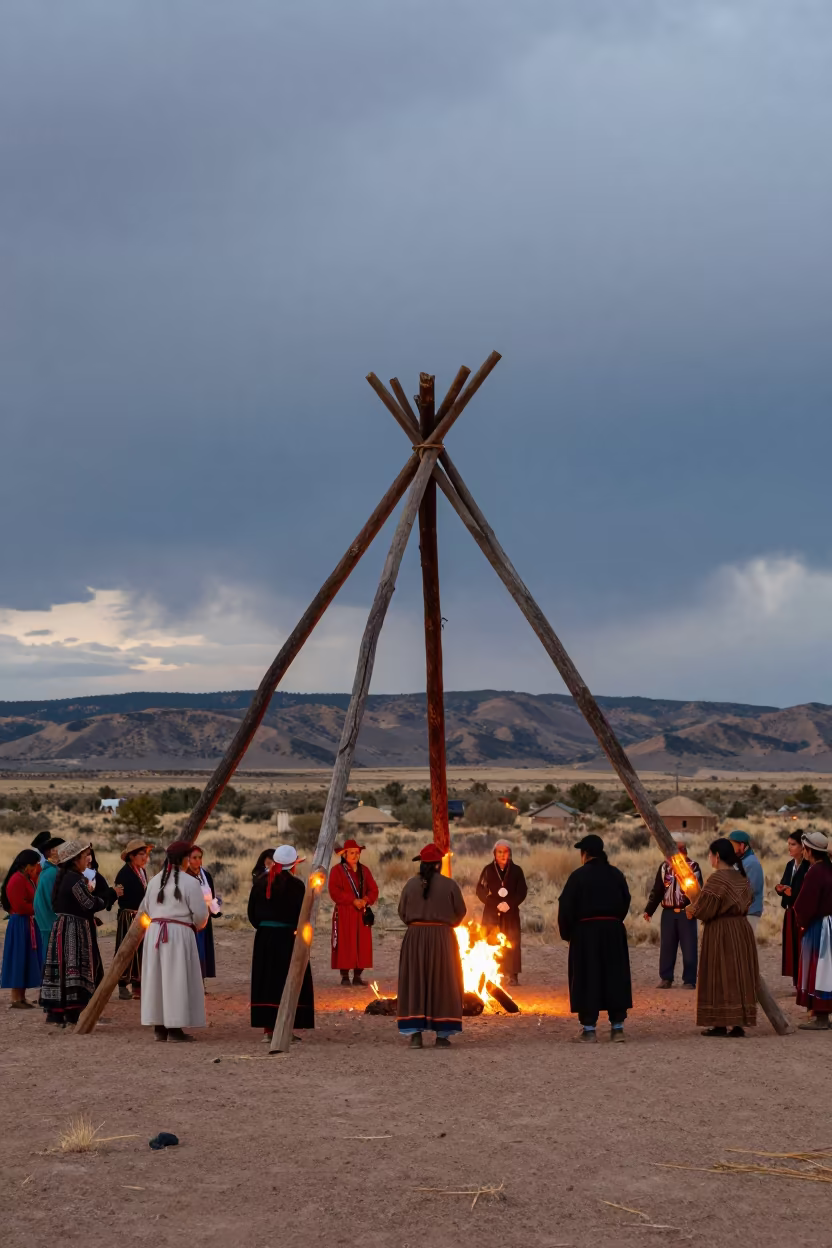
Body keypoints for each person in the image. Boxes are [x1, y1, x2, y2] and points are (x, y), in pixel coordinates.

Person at [558, 834, 632, 1043]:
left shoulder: (578, 876)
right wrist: (614, 922)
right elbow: (626, 900)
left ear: (585, 854)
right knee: (614, 976)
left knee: (587, 977)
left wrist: (569, 933)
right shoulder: (616, 875)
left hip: (586, 933)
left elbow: (566, 906)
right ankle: (617, 1028)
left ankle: (589, 1029)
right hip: (613, 932)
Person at [684, 837, 758, 1037]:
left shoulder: (716, 879)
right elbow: (749, 899)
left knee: (718, 973)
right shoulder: (741, 878)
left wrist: (692, 910)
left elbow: (706, 909)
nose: (709, 858)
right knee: (738, 974)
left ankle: (719, 1023)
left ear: (716, 857)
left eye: (710, 854)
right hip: (741, 930)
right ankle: (738, 1024)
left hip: (721, 932)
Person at [137, 840, 209, 1042]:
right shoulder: (190, 882)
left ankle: (160, 1027)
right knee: (176, 979)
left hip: (155, 933)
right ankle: (175, 1028)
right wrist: (194, 925)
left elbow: (147, 909)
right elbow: (201, 915)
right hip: (178, 934)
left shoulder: (154, 881)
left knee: (158, 979)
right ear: (185, 859)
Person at [397, 844, 467, 1049]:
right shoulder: (450, 885)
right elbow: (460, 912)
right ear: (439, 864)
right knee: (443, 983)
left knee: (415, 982)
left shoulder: (410, 885)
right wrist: (445, 924)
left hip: (415, 939)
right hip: (442, 939)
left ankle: (415, 1035)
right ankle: (442, 1035)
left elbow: (402, 912)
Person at [248, 845, 314, 1042]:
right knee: (286, 979)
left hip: (265, 939)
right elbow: (302, 915)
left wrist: (265, 927)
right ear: (293, 865)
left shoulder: (259, 883)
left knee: (268, 980)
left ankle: (269, 1030)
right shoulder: (297, 886)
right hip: (287, 938)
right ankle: (285, 1027)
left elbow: (252, 915)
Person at [39, 840, 108, 1026]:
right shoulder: (74, 879)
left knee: (64, 969)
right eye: (85, 855)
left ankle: (60, 1013)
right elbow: (89, 904)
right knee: (74, 967)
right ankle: (73, 1013)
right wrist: (109, 896)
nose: (88, 859)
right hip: (73, 929)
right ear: (75, 859)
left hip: (64, 926)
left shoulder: (68, 877)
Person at [643, 840, 703, 989]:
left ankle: (689, 980)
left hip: (686, 912)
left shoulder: (693, 867)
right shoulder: (664, 868)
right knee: (667, 946)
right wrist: (649, 910)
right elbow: (657, 890)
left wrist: (698, 911)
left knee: (689, 946)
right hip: (668, 912)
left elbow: (698, 893)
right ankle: (666, 978)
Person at [793, 829, 832, 1030]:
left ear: (808, 851)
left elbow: (806, 903)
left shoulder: (815, 872)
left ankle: (821, 1016)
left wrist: (801, 920)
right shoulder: (828, 868)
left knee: (820, 969)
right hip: (829, 924)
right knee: (828, 969)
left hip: (821, 927)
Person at [475, 839, 527, 986]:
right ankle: (490, 974)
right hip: (492, 912)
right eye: (500, 852)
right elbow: (480, 890)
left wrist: (509, 904)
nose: (503, 855)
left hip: (510, 912)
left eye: (505, 851)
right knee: (490, 941)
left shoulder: (517, 871)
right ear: (494, 854)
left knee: (512, 941)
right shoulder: (488, 870)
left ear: (509, 853)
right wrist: (494, 904)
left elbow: (522, 891)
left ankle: (512, 975)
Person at [328, 838, 379, 986]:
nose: (355, 855)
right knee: (345, 942)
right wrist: (352, 900)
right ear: (344, 854)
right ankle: (344, 975)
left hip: (361, 913)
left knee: (361, 943)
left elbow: (374, 889)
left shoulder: (365, 870)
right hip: (345, 912)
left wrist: (366, 900)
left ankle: (358, 975)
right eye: (352, 853)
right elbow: (334, 891)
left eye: (357, 852)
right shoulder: (336, 871)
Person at [1, 849, 44, 1008]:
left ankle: (21, 996)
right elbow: (19, 905)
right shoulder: (17, 880)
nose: (36, 867)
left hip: (26, 923)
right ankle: (15, 998)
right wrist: (37, 908)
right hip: (19, 924)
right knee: (19, 958)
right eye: (34, 864)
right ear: (27, 865)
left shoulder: (25, 878)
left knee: (26, 958)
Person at [114, 838, 154, 1000]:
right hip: (128, 916)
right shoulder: (124, 874)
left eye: (145, 854)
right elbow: (123, 898)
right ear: (131, 856)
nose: (145, 857)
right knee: (125, 950)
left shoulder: (141, 871)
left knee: (141, 950)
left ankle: (138, 984)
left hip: (140, 916)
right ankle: (122, 984)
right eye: (140, 854)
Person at [775, 830, 809, 988]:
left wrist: (792, 892)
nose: (789, 848)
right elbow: (784, 882)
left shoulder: (808, 866)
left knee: (802, 947)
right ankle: (797, 982)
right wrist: (780, 888)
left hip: (801, 913)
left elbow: (807, 890)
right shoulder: (790, 865)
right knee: (792, 947)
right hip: (789, 911)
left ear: (803, 847)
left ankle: (804, 982)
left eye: (793, 844)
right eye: (788, 844)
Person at [186, 845, 221, 982]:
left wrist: (214, 907)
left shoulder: (205, 875)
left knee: (202, 951)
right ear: (187, 859)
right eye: (194, 857)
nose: (197, 861)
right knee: (193, 951)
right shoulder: (185, 876)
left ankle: (200, 981)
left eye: (200, 857)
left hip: (205, 919)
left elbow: (211, 894)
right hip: (191, 920)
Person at [727, 831, 764, 932]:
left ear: (742, 845)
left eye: (732, 846)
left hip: (749, 913)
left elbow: (750, 890)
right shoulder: (739, 861)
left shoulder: (751, 863)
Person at [33, 837, 65, 949]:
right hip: (51, 925)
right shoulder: (52, 873)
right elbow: (53, 902)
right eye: (62, 849)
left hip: (46, 925)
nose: (65, 852)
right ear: (53, 851)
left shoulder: (47, 871)